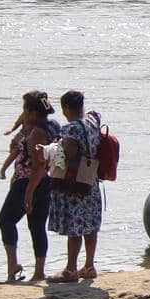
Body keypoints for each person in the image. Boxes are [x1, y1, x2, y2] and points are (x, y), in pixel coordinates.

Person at [0, 91, 57, 283]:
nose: (22, 113)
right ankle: (39, 271)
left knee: (6, 220)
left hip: (28, 182)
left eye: (25, 109)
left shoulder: (36, 133)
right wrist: (15, 128)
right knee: (37, 226)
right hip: (48, 181)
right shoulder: (52, 126)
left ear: (32, 112)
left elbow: (37, 164)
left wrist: (29, 194)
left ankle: (13, 266)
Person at [49, 91, 106, 282]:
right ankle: (89, 266)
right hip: (92, 179)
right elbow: (94, 114)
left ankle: (71, 269)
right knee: (90, 225)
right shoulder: (92, 122)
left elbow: (69, 154)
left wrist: (53, 150)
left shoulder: (71, 129)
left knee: (75, 226)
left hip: (76, 183)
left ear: (65, 108)